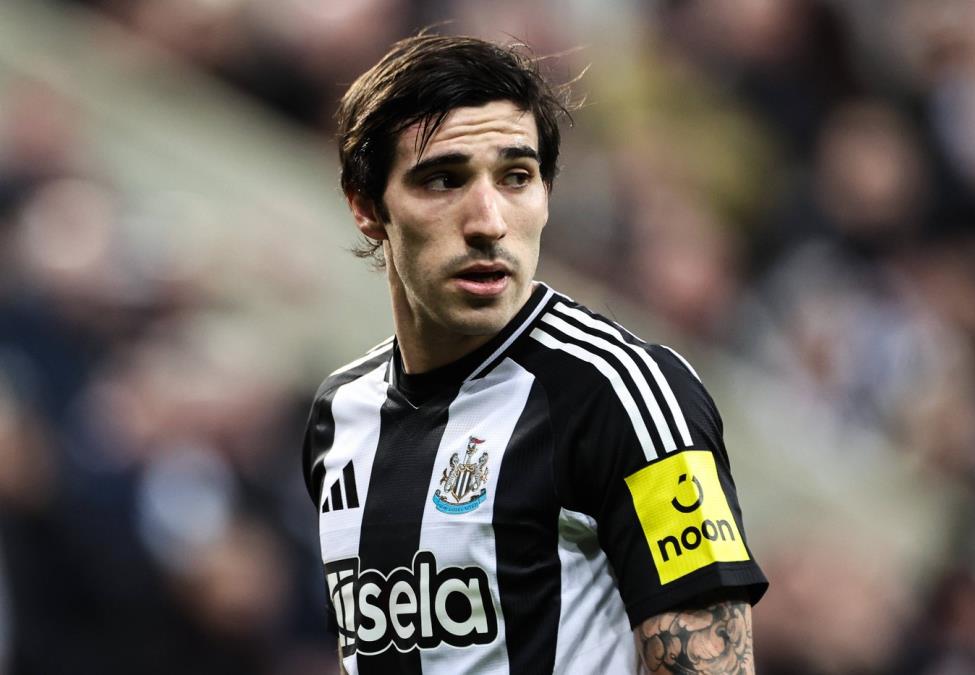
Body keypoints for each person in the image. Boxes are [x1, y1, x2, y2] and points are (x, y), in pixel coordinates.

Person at [302, 32, 768, 674]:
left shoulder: (623, 392)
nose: (489, 221)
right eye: (443, 179)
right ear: (367, 206)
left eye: (516, 177)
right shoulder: (338, 416)